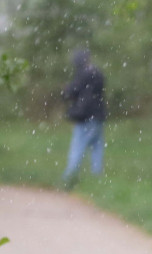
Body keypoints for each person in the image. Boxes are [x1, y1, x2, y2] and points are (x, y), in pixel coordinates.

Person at [61, 48, 106, 187]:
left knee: (78, 146)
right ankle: (96, 177)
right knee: (97, 147)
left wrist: (66, 90)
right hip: (98, 115)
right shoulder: (97, 73)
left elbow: (71, 92)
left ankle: (69, 177)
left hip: (85, 116)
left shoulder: (83, 75)